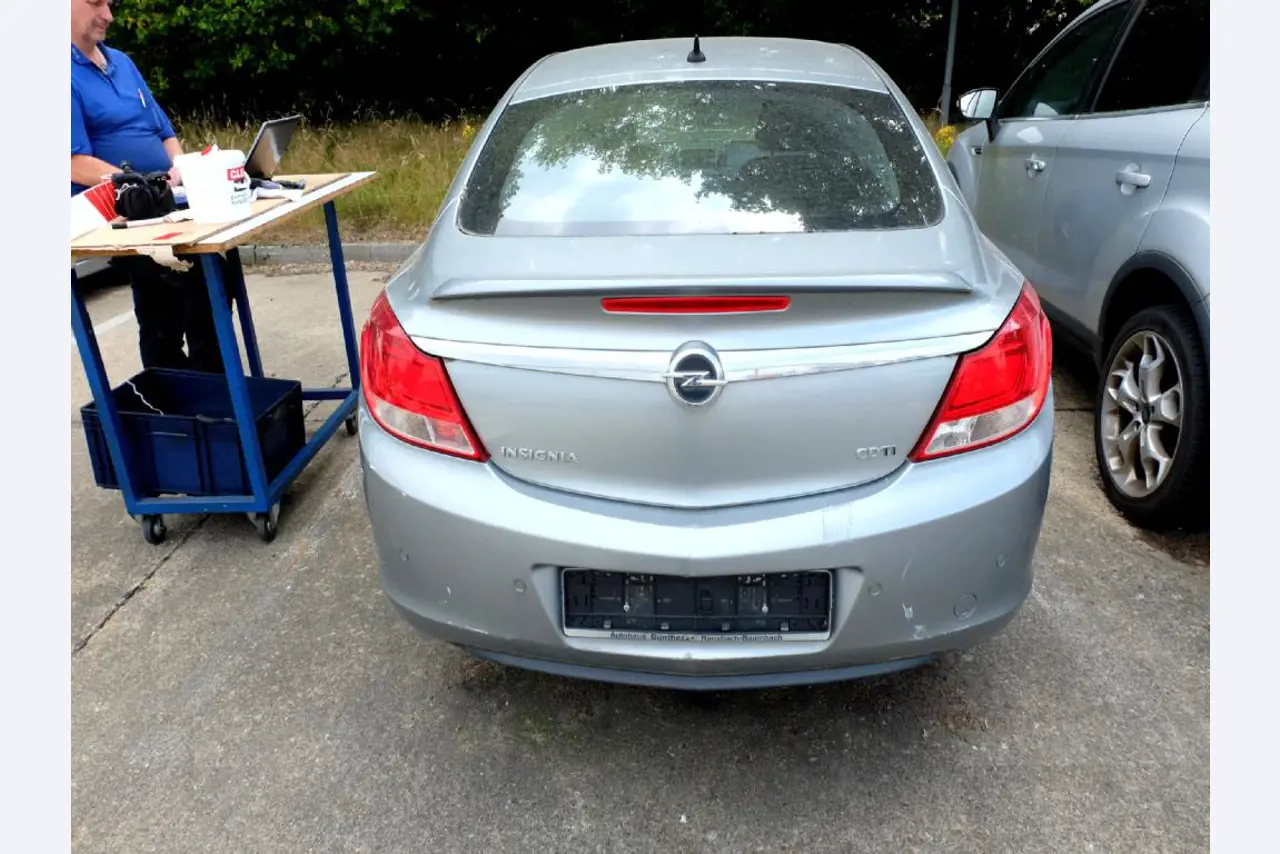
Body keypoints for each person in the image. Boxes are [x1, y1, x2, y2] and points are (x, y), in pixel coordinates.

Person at [71, 0, 227, 374]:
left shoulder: (123, 62)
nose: (108, 15)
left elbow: (165, 132)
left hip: (164, 199)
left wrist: (180, 168)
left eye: (110, 4)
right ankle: (181, 386)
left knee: (219, 265)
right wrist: (140, 185)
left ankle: (209, 383)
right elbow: (74, 162)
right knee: (177, 285)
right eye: (96, 3)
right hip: (121, 212)